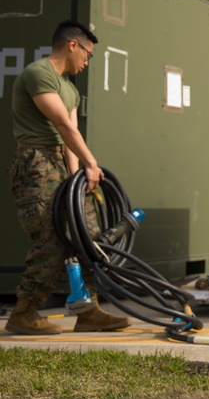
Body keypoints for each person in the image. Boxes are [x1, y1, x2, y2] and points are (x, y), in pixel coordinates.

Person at [4, 20, 131, 335]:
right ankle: (24, 312)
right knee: (51, 239)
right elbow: (62, 125)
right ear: (72, 45)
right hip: (37, 164)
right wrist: (91, 160)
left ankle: (90, 311)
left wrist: (79, 180)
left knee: (90, 239)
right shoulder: (38, 74)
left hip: (63, 166)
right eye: (87, 54)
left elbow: (70, 137)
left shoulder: (70, 90)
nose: (87, 62)